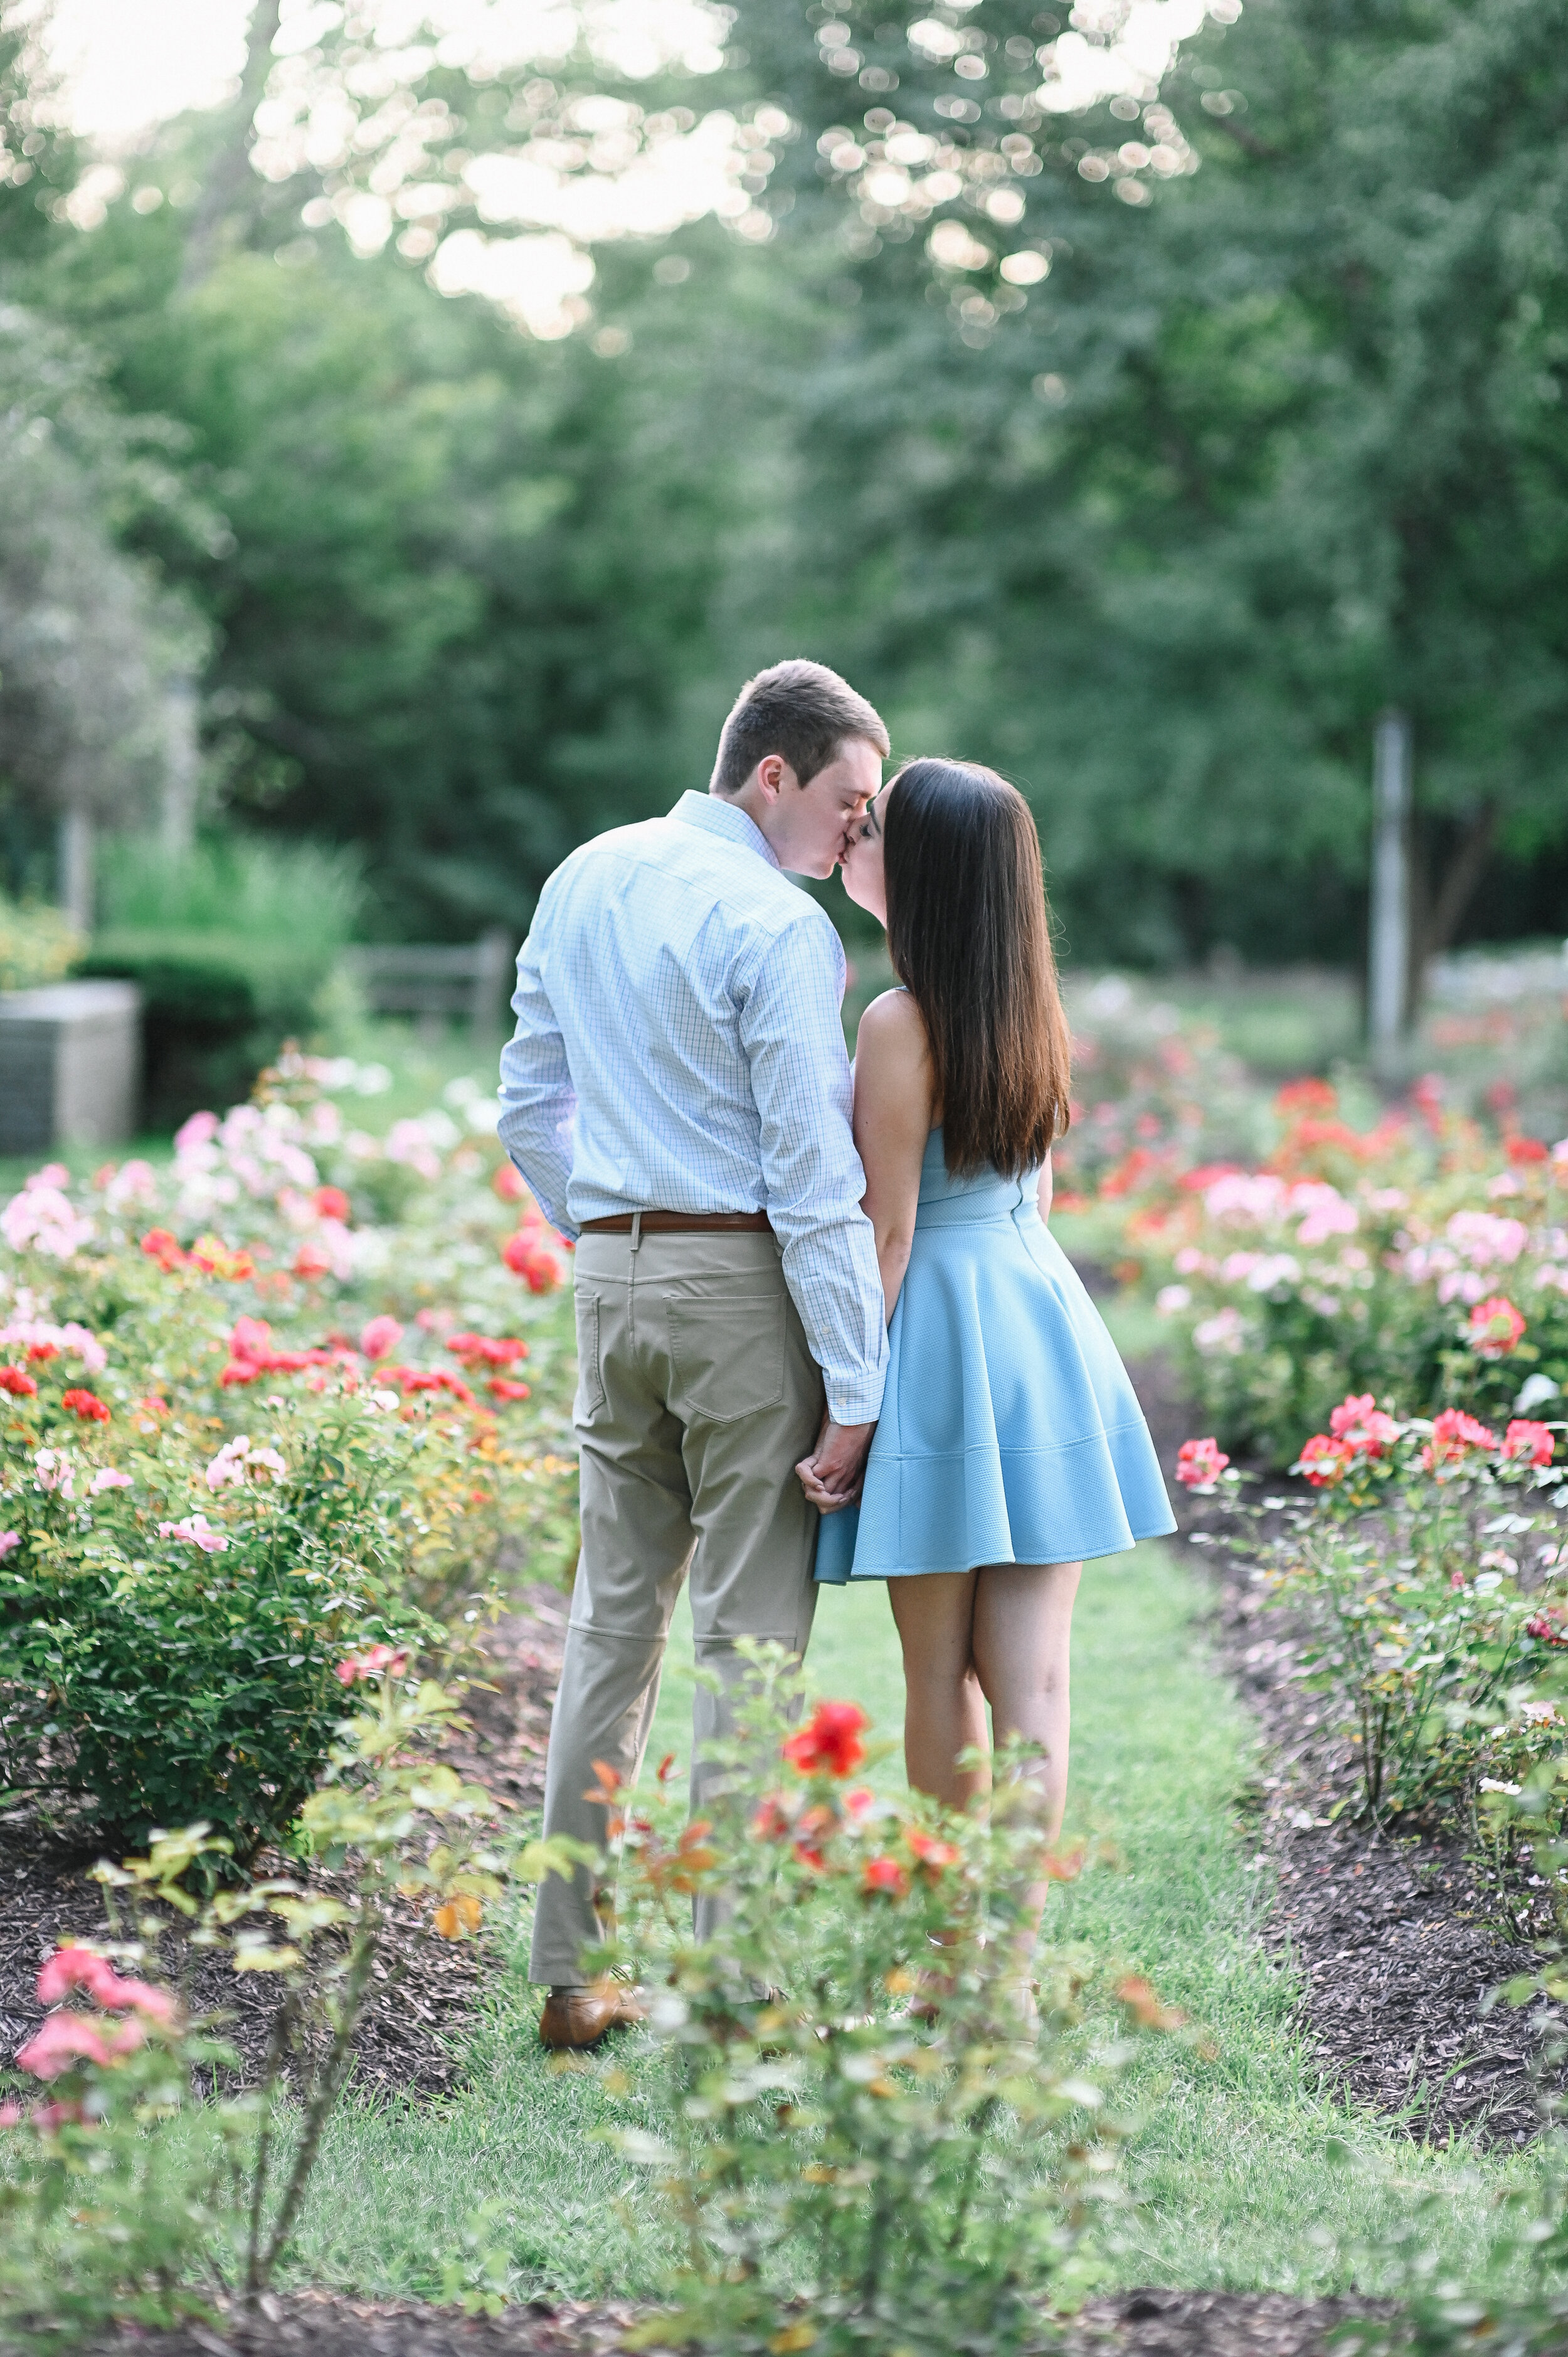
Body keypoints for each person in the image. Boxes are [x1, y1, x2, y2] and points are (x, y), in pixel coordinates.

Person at [498, 659, 891, 2051]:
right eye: (849, 800)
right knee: (745, 1635)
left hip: (609, 1280)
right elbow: (808, 1170)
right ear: (770, 774)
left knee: (612, 1621)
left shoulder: (584, 872)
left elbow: (525, 1105)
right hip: (742, 1287)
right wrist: (856, 1387)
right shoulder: (777, 928)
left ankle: (571, 1973)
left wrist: (607, 1230)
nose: (857, 831)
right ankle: (729, 1981)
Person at [806, 758, 1175, 1854]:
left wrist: (849, 1409)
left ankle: (951, 1960)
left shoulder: (897, 1021)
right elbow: (1039, 1190)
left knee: (936, 1673)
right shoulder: (1033, 1008)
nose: (850, 841)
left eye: (870, 828)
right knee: (1036, 1685)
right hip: (1039, 1326)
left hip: (937, 1341)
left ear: (920, 871)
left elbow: (888, 1233)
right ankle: (1006, 1978)